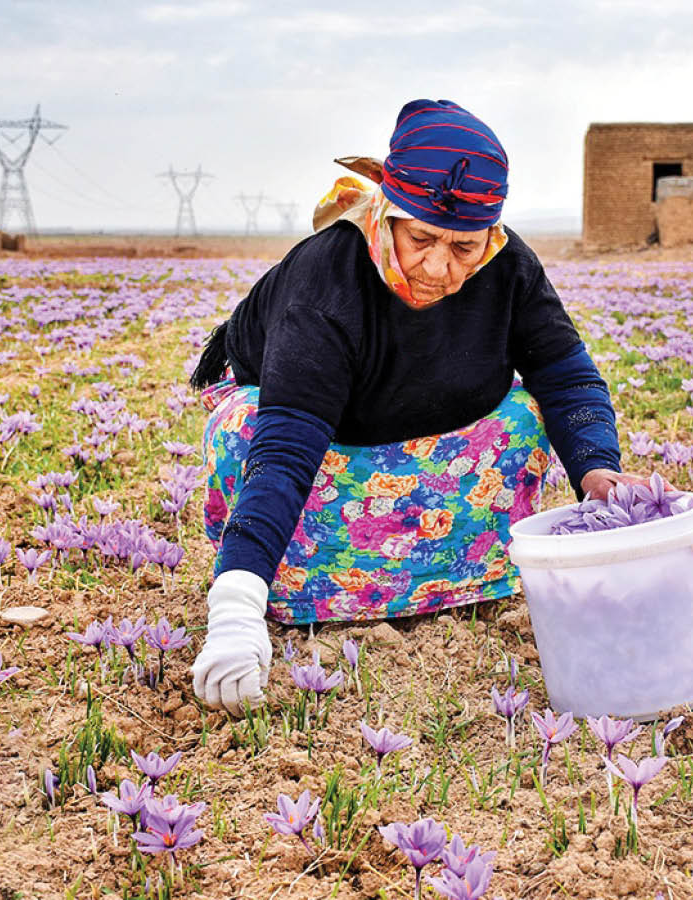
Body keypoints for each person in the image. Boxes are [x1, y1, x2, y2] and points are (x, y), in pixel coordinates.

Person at [188, 99, 653, 715]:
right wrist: (235, 607)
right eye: (422, 239)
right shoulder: (327, 279)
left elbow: (564, 373)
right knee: (245, 432)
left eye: (465, 248)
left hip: (423, 417)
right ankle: (297, 589)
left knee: (526, 415)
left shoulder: (508, 265)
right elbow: (286, 445)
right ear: (387, 213)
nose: (439, 268)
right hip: (317, 433)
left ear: (492, 233)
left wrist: (597, 472)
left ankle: (459, 578)